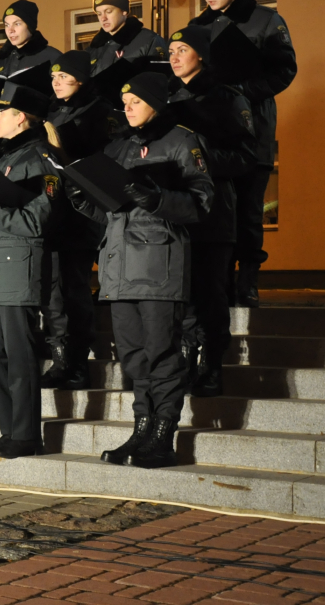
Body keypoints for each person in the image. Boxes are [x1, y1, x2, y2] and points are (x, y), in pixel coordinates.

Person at [69, 72, 212, 468]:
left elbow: (202, 201)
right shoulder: (119, 148)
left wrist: (157, 197)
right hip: (118, 267)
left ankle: (164, 435)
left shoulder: (182, 141)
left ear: (155, 102)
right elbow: (109, 210)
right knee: (133, 357)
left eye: (134, 101)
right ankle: (141, 430)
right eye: (124, 102)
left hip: (158, 264)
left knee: (161, 353)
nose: (127, 108)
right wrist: (83, 198)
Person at [193, 0, 296, 308]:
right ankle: (219, 282)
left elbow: (284, 70)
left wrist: (241, 93)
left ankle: (247, 283)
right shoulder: (199, 27)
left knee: (250, 211)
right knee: (218, 210)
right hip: (213, 131)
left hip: (254, 130)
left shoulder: (265, 20)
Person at [0, 81, 59, 459]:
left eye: (1, 113)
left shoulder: (41, 158)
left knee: (19, 354)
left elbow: (37, 221)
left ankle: (26, 434)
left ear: (20, 117)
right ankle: (9, 429)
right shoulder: (5, 158)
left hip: (18, 270)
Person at [168, 26, 256, 397]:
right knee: (182, 293)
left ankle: (212, 365)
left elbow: (246, 157)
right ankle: (187, 360)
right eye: (170, 50)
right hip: (176, 211)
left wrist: (198, 160)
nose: (173, 56)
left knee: (210, 292)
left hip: (214, 212)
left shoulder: (226, 99)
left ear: (200, 55)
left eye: (182, 49)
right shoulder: (166, 98)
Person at [41, 50, 116, 390]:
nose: (56, 82)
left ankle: (79, 361)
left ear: (81, 80)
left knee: (74, 289)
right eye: (53, 77)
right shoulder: (53, 110)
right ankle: (60, 361)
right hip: (56, 212)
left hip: (83, 214)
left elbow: (102, 165)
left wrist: (63, 151)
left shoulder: (100, 113)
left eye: (63, 77)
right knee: (54, 292)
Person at [86, 0, 166, 75]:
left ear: (124, 11)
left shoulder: (150, 40)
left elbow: (159, 80)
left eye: (108, 12)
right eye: (99, 14)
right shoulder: (93, 48)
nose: (103, 18)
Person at [0, 0, 61, 79]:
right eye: (7, 25)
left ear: (30, 26)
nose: (11, 30)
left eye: (17, 24)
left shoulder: (52, 57)